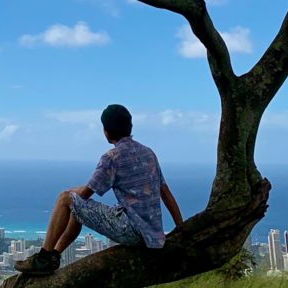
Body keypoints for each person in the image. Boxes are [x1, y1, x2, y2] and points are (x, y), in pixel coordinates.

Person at [15, 104, 184, 276]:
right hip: (152, 235)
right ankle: (55, 255)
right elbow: (166, 194)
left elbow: (85, 194)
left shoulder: (112, 158)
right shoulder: (149, 154)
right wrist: (181, 228)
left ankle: (43, 257)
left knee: (64, 198)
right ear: (130, 127)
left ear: (106, 131)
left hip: (131, 230)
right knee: (77, 209)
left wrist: (71, 193)